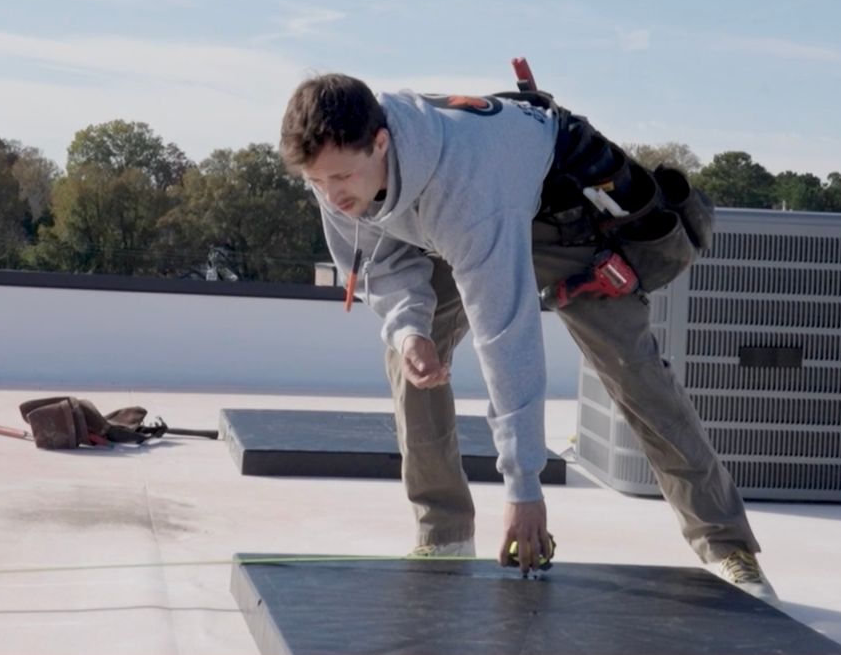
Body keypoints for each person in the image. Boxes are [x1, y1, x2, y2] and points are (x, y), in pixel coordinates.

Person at [278, 73, 775, 602]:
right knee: (410, 359)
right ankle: (443, 535)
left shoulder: (465, 187)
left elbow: (506, 334)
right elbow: (384, 264)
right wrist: (408, 330)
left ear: (380, 143)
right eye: (316, 181)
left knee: (637, 377)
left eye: (341, 178)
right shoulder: (341, 174)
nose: (331, 195)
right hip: (450, 230)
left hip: (566, 222)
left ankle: (726, 546)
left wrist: (523, 487)